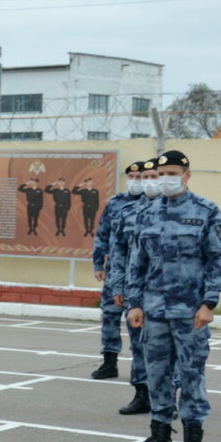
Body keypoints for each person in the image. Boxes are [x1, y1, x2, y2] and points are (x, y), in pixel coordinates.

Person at [126, 150, 221, 442]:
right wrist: (135, 303)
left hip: (191, 312)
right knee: (157, 374)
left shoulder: (207, 211)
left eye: (173, 172)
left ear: (186, 174)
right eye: (162, 173)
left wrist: (209, 302)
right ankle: (160, 438)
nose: (167, 178)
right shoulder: (146, 213)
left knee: (191, 375)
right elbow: (137, 261)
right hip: (154, 309)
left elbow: (218, 258)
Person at [108, 158, 163, 414]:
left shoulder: (176, 210)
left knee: (166, 349)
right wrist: (117, 286)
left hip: (168, 292)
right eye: (145, 177)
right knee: (139, 344)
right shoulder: (129, 211)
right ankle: (142, 393)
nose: (148, 182)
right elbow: (118, 251)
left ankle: (165, 400)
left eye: (154, 177)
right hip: (136, 291)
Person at [89, 162, 143, 380]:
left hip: (138, 274)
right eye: (132, 176)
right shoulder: (116, 202)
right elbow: (103, 233)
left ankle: (139, 368)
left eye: (140, 176)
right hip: (115, 271)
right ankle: (109, 362)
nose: (136, 181)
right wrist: (98, 264)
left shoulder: (153, 204)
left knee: (136, 323)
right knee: (110, 317)